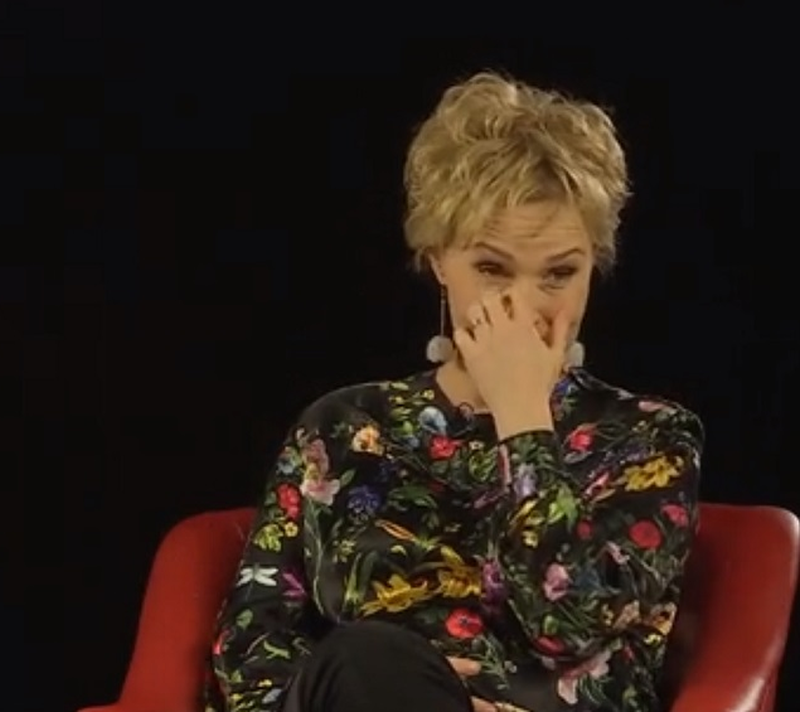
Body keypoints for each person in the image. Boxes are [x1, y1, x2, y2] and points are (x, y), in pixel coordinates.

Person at [203, 71, 703, 712]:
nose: (525, 306)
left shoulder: (649, 439)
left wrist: (524, 421)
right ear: (439, 259)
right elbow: (252, 645)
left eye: (559, 274)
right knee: (365, 660)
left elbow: (570, 625)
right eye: (492, 269)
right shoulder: (342, 428)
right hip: (360, 695)